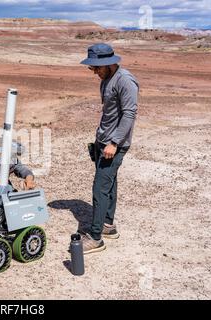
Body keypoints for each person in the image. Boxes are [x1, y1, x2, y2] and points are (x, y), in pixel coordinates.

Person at [79, 43, 139, 254]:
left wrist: (114, 143)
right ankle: (107, 225)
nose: (94, 71)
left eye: (97, 67)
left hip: (115, 145)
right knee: (109, 183)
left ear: (109, 64)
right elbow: (110, 114)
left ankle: (96, 238)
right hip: (103, 143)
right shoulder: (106, 80)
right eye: (92, 68)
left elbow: (129, 115)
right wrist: (100, 140)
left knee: (100, 188)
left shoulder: (126, 81)